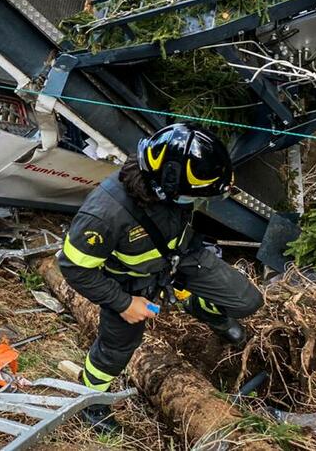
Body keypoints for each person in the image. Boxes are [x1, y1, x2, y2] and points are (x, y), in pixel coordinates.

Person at [59, 123, 264, 433]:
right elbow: (74, 268)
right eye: (189, 196)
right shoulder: (104, 214)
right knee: (115, 351)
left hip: (181, 257)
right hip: (128, 283)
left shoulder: (172, 182)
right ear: (164, 186)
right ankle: (90, 403)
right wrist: (124, 303)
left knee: (247, 300)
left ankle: (198, 306)